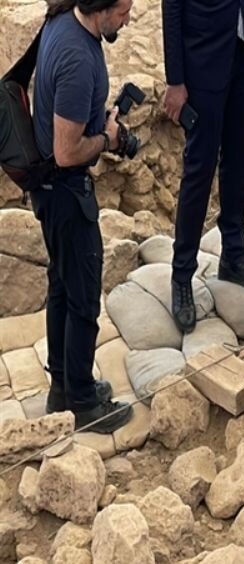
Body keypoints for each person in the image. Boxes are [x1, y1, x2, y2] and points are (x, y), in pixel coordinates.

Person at [30, 0, 135, 433]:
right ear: (101, 7)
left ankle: (63, 389)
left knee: (62, 286)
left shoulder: (64, 22)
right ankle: (84, 403)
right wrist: (108, 138)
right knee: (84, 297)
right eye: (124, 10)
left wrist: (99, 117)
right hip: (66, 192)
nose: (129, 18)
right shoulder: (77, 57)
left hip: (50, 192)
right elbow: (67, 150)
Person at [162, 0, 244, 334]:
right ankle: (182, 274)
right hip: (203, 58)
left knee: (238, 162)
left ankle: (234, 257)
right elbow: (172, 8)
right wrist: (175, 79)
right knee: (199, 170)